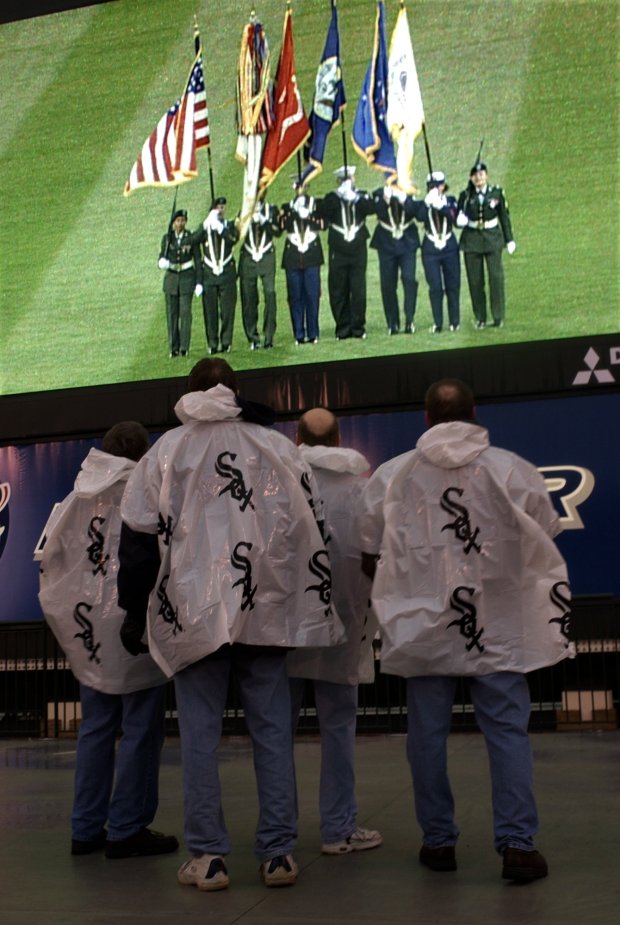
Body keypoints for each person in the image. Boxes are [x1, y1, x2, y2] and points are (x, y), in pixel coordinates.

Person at [117, 359, 345, 892]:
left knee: (200, 734)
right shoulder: (277, 447)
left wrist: (135, 612)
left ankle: (210, 856)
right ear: (236, 390)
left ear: (189, 391)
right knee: (271, 731)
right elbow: (316, 528)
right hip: (265, 612)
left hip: (191, 613)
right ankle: (278, 854)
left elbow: (136, 539)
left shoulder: (165, 452)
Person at [358, 378, 574, 883]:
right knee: (507, 732)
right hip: (499, 624)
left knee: (427, 736)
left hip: (423, 627)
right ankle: (518, 845)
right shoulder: (513, 470)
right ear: (474, 412)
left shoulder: (393, 475)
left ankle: (438, 842)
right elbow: (544, 541)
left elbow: (367, 551)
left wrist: (402, 597)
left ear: (427, 418)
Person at [38, 422, 178, 861]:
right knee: (140, 728)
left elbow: (48, 560)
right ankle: (127, 826)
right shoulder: (147, 492)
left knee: (96, 728)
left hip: (90, 635)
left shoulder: (75, 498)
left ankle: (85, 826)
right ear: (143, 454)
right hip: (135, 627)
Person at [288, 408, 382, 856]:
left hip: (284, 631)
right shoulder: (362, 491)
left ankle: (278, 837)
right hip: (343, 626)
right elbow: (373, 561)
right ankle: (338, 829)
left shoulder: (280, 486)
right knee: (339, 728)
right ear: (341, 438)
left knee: (274, 734)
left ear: (298, 437)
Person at [316, 166, 376, 340]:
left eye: (350, 178)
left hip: (357, 249)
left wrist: (355, 198)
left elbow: (371, 208)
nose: (349, 181)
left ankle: (358, 327)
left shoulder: (361, 195)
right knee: (338, 289)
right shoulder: (332, 198)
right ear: (339, 181)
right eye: (345, 179)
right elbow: (323, 211)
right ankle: (343, 328)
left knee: (358, 289)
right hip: (338, 250)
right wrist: (340, 196)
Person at [456, 162, 516, 328]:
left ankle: (498, 316)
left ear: (487, 176)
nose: (479, 178)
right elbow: (458, 217)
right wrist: (459, 220)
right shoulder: (466, 196)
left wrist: (509, 239)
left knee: (496, 278)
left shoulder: (496, 193)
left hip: (492, 238)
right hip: (472, 239)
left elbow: (504, 217)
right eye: (475, 175)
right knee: (475, 281)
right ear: (471, 178)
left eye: (481, 174)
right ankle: (480, 317)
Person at [369, 184, 425, 334]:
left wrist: (405, 199)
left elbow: (417, 213)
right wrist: (385, 200)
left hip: (407, 241)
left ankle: (410, 319)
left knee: (409, 279)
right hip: (386, 243)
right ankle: (392, 322)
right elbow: (378, 211)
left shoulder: (409, 190)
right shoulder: (379, 193)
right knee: (388, 284)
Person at [279, 182, 325, 345]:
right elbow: (281, 227)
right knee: (295, 296)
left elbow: (322, 224)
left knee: (312, 295)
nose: (301, 190)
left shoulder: (317, 204)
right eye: (298, 187)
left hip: (312, 255)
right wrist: (294, 212)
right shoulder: (287, 206)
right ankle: (298, 333)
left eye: (303, 186)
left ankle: (313, 332)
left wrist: (309, 215)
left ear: (307, 187)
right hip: (293, 256)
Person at [193, 197, 239, 354]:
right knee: (210, 312)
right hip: (209, 276)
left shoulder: (229, 225)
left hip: (226, 274)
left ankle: (226, 342)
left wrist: (220, 228)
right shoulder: (205, 227)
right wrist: (206, 224)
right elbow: (193, 240)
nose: (221, 210)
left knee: (227, 311)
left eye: (223, 207)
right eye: (218, 207)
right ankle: (212, 343)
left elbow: (233, 239)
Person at [420, 172, 461, 333]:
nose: (434, 189)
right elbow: (419, 216)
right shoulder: (426, 203)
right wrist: (427, 203)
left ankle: (454, 322)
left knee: (453, 285)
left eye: (437, 186)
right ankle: (438, 323)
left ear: (443, 186)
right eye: (431, 187)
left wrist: (441, 206)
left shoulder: (450, 201)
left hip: (449, 247)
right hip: (430, 249)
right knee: (435, 287)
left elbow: (454, 217)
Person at [158, 209, 202, 358]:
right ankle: (173, 347)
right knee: (172, 315)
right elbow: (161, 256)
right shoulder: (167, 238)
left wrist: (199, 282)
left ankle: (184, 347)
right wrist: (161, 263)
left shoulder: (190, 238)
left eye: (182, 220)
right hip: (171, 280)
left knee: (185, 314)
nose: (180, 223)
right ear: (173, 223)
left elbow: (197, 260)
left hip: (187, 278)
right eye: (178, 221)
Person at [238, 200, 281, 350]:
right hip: (248, 257)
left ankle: (269, 336)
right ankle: (253, 337)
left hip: (267, 255)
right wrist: (247, 218)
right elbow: (237, 234)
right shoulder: (245, 209)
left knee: (270, 293)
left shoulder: (272, 209)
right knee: (249, 297)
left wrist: (263, 220)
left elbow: (277, 231)